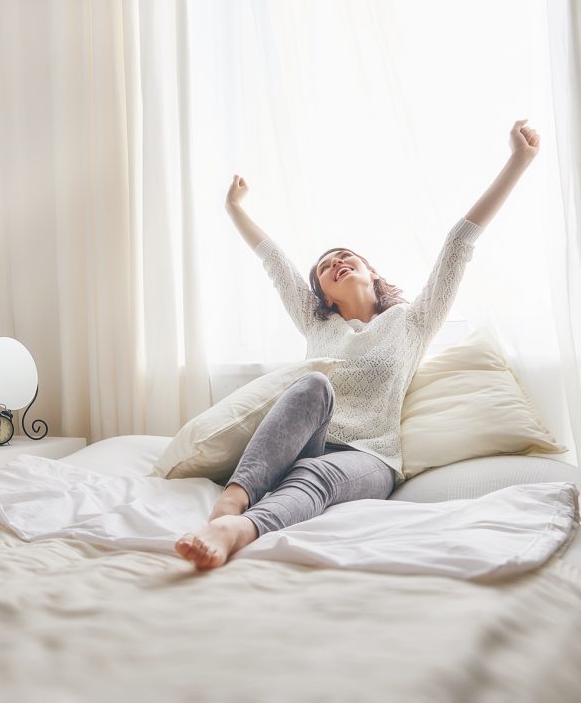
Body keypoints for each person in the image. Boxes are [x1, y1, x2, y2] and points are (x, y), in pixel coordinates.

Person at [175, 119, 542, 570]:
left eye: (348, 256)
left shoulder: (412, 322)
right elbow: (274, 261)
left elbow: (458, 244)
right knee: (313, 387)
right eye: (327, 265)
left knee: (315, 475)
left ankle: (237, 529)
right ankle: (228, 506)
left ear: (371, 272)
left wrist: (518, 161)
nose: (338, 261)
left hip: (369, 459)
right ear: (323, 295)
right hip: (305, 444)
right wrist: (234, 208)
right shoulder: (316, 323)